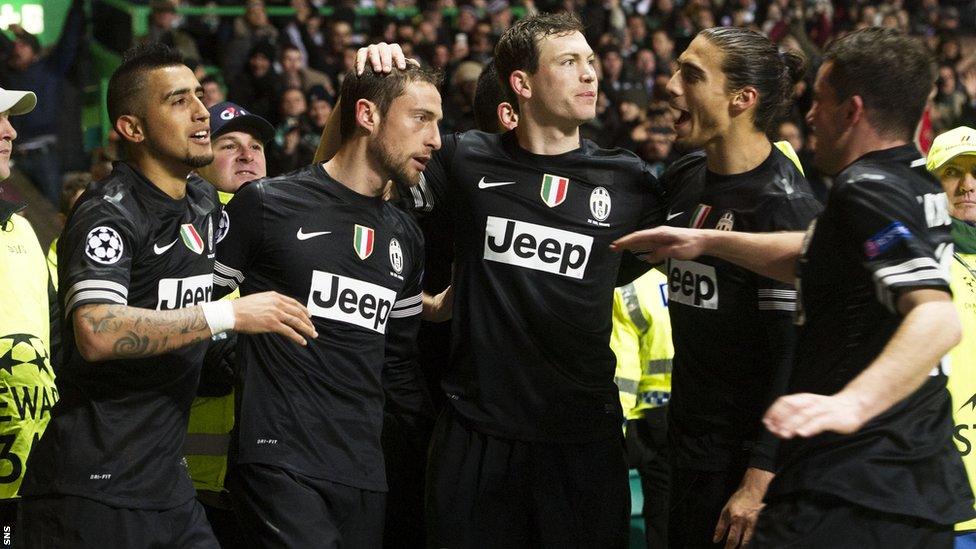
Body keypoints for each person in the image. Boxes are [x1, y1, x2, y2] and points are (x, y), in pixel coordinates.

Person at [613, 27, 975, 547]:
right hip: (908, 480)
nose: (807, 117)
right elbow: (814, 258)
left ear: (851, 111)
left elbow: (937, 317)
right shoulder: (913, 180)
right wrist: (706, 241)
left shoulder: (866, 189)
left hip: (870, 485)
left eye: (820, 102)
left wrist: (848, 404)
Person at [347, 12, 665, 546]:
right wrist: (368, 87)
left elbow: (624, 270)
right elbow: (348, 187)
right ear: (521, 84)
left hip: (583, 439)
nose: (590, 74)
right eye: (569, 63)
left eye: (590, 61)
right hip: (474, 433)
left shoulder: (630, 181)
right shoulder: (465, 158)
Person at [18, 43, 316, 548]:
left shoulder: (201, 200)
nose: (202, 112)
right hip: (94, 489)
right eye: (179, 101)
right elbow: (95, 330)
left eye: (200, 96)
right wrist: (226, 315)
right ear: (133, 128)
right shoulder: (109, 212)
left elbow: (319, 182)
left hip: (165, 486)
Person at [213, 63, 439, 547]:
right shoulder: (265, 204)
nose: (435, 138)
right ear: (367, 115)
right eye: (420, 118)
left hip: (363, 469)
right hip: (278, 461)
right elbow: (197, 308)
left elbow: (397, 364)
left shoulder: (405, 235)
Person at [660, 27, 821, 549]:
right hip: (685, 452)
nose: (669, 85)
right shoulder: (686, 175)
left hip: (744, 475)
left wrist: (758, 480)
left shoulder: (784, 208)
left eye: (690, 74)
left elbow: (795, 361)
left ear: (741, 99)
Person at [184, 100, 275, 549]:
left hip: (272, 472)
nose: (247, 155)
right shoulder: (183, 226)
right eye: (229, 145)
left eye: (256, 146)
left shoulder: (289, 227)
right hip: (189, 480)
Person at [0, 85, 59, 540]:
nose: (10, 132)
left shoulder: (22, 226)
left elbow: (55, 340)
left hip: (32, 476)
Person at [925, 126, 976, 546]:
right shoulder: (919, 260)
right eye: (953, 172)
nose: (968, 185)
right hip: (946, 485)